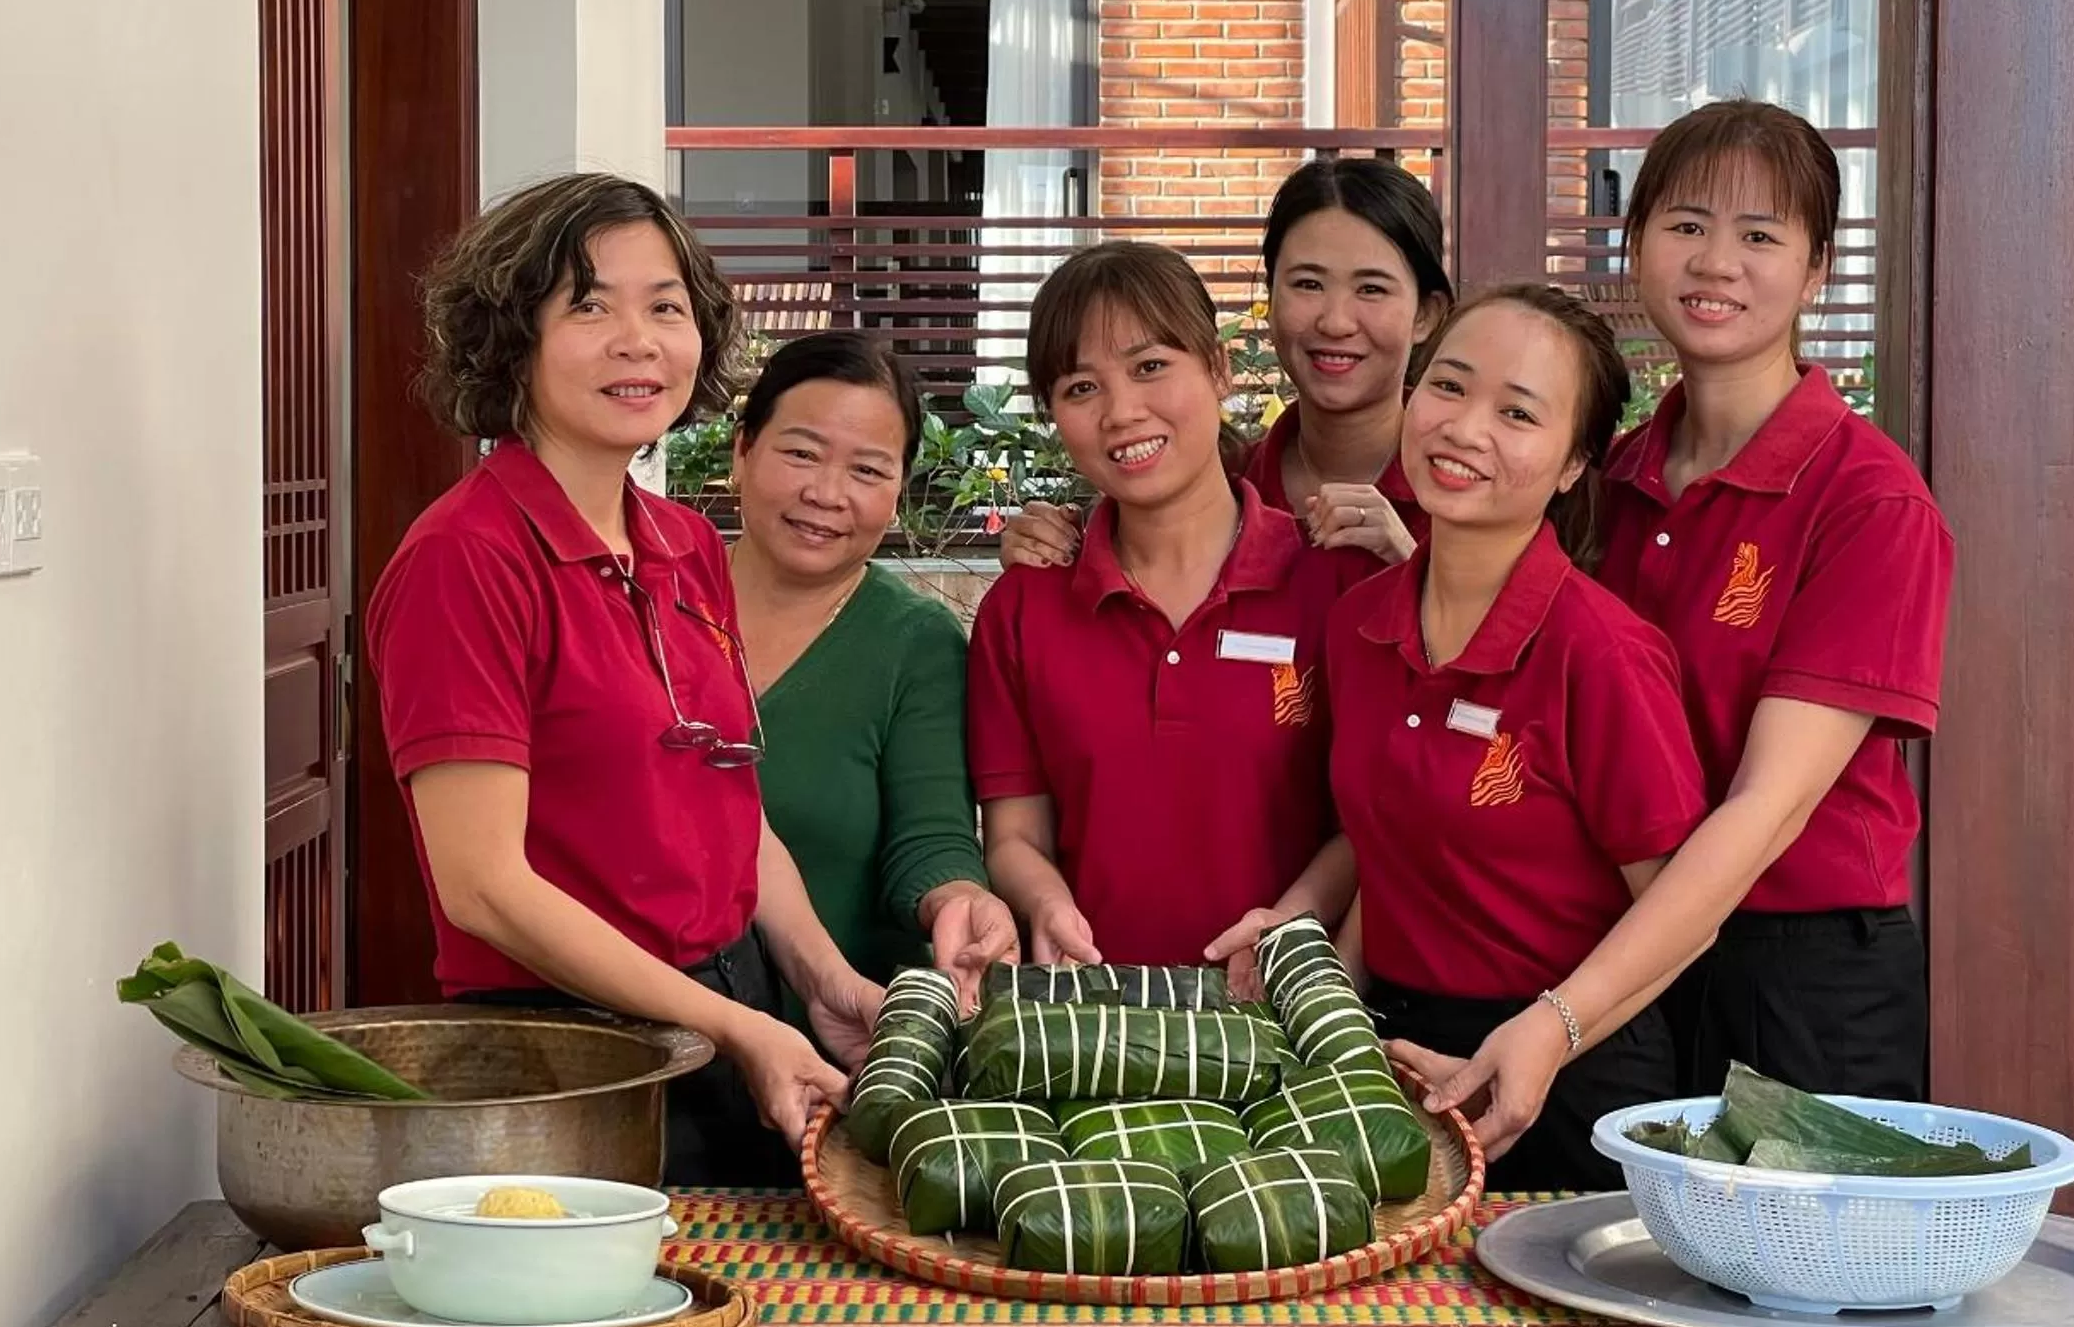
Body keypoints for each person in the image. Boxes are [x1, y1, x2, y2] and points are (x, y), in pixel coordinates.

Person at [1352, 101, 1956, 1155]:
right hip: (1623, 962)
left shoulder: (1868, 500)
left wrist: (1560, 1017)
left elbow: (1766, 808)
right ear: (1635, 246)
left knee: (1795, 1295)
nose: (1714, 261)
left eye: (1760, 235)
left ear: (1815, 271)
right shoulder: (1611, 477)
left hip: (1795, 970)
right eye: (1684, 224)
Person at [363, 172, 885, 1186]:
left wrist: (820, 980)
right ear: (511, 336)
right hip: (567, 1055)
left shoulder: (685, 543)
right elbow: (483, 887)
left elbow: (732, 806)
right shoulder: (464, 558)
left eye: (665, 307)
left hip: (733, 1014)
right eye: (588, 305)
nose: (636, 340)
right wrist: (729, 1026)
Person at [1292, 286, 1712, 1189]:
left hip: (1570, 1073)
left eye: (1518, 412)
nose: (1465, 428)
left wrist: (1550, 1030)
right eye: (1448, 387)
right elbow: (1391, 852)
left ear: (1571, 466)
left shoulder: (1600, 651)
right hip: (1396, 1063)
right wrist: (1330, 1009)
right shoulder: (1358, 623)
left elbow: (1683, 912)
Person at [967, 240, 1362, 970]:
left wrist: (1289, 924)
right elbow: (1016, 835)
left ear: (1218, 369)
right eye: (1081, 388)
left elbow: (1368, 821)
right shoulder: (1023, 608)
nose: (1121, 412)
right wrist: (1047, 904)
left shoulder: (1333, 584)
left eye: (1151, 368)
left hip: (1288, 1014)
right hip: (1094, 1021)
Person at [725, 329, 1017, 1007]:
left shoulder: (915, 641)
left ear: (899, 489)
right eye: (801, 453)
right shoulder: (654, 602)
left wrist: (960, 899)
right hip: (641, 1038)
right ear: (742, 451)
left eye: (867, 470)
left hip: (839, 1044)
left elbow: (932, 836)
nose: (827, 494)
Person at [997, 156, 1452, 573]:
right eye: (1308, 284)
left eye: (1371, 289)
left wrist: (1412, 570)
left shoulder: (1474, 494)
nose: (1335, 322)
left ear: (1425, 314)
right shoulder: (1213, 483)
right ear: (1269, 299)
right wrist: (1045, 545)